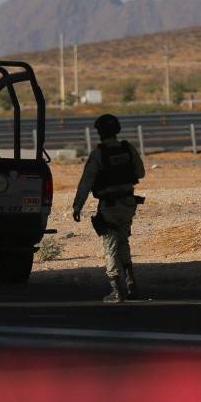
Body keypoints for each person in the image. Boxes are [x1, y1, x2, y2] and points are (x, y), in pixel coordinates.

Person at [72, 114, 145, 303]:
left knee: (110, 246)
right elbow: (140, 172)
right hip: (128, 204)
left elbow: (86, 182)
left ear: (100, 132)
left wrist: (77, 206)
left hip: (109, 206)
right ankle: (131, 285)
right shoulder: (127, 148)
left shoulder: (98, 154)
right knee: (123, 242)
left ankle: (117, 291)